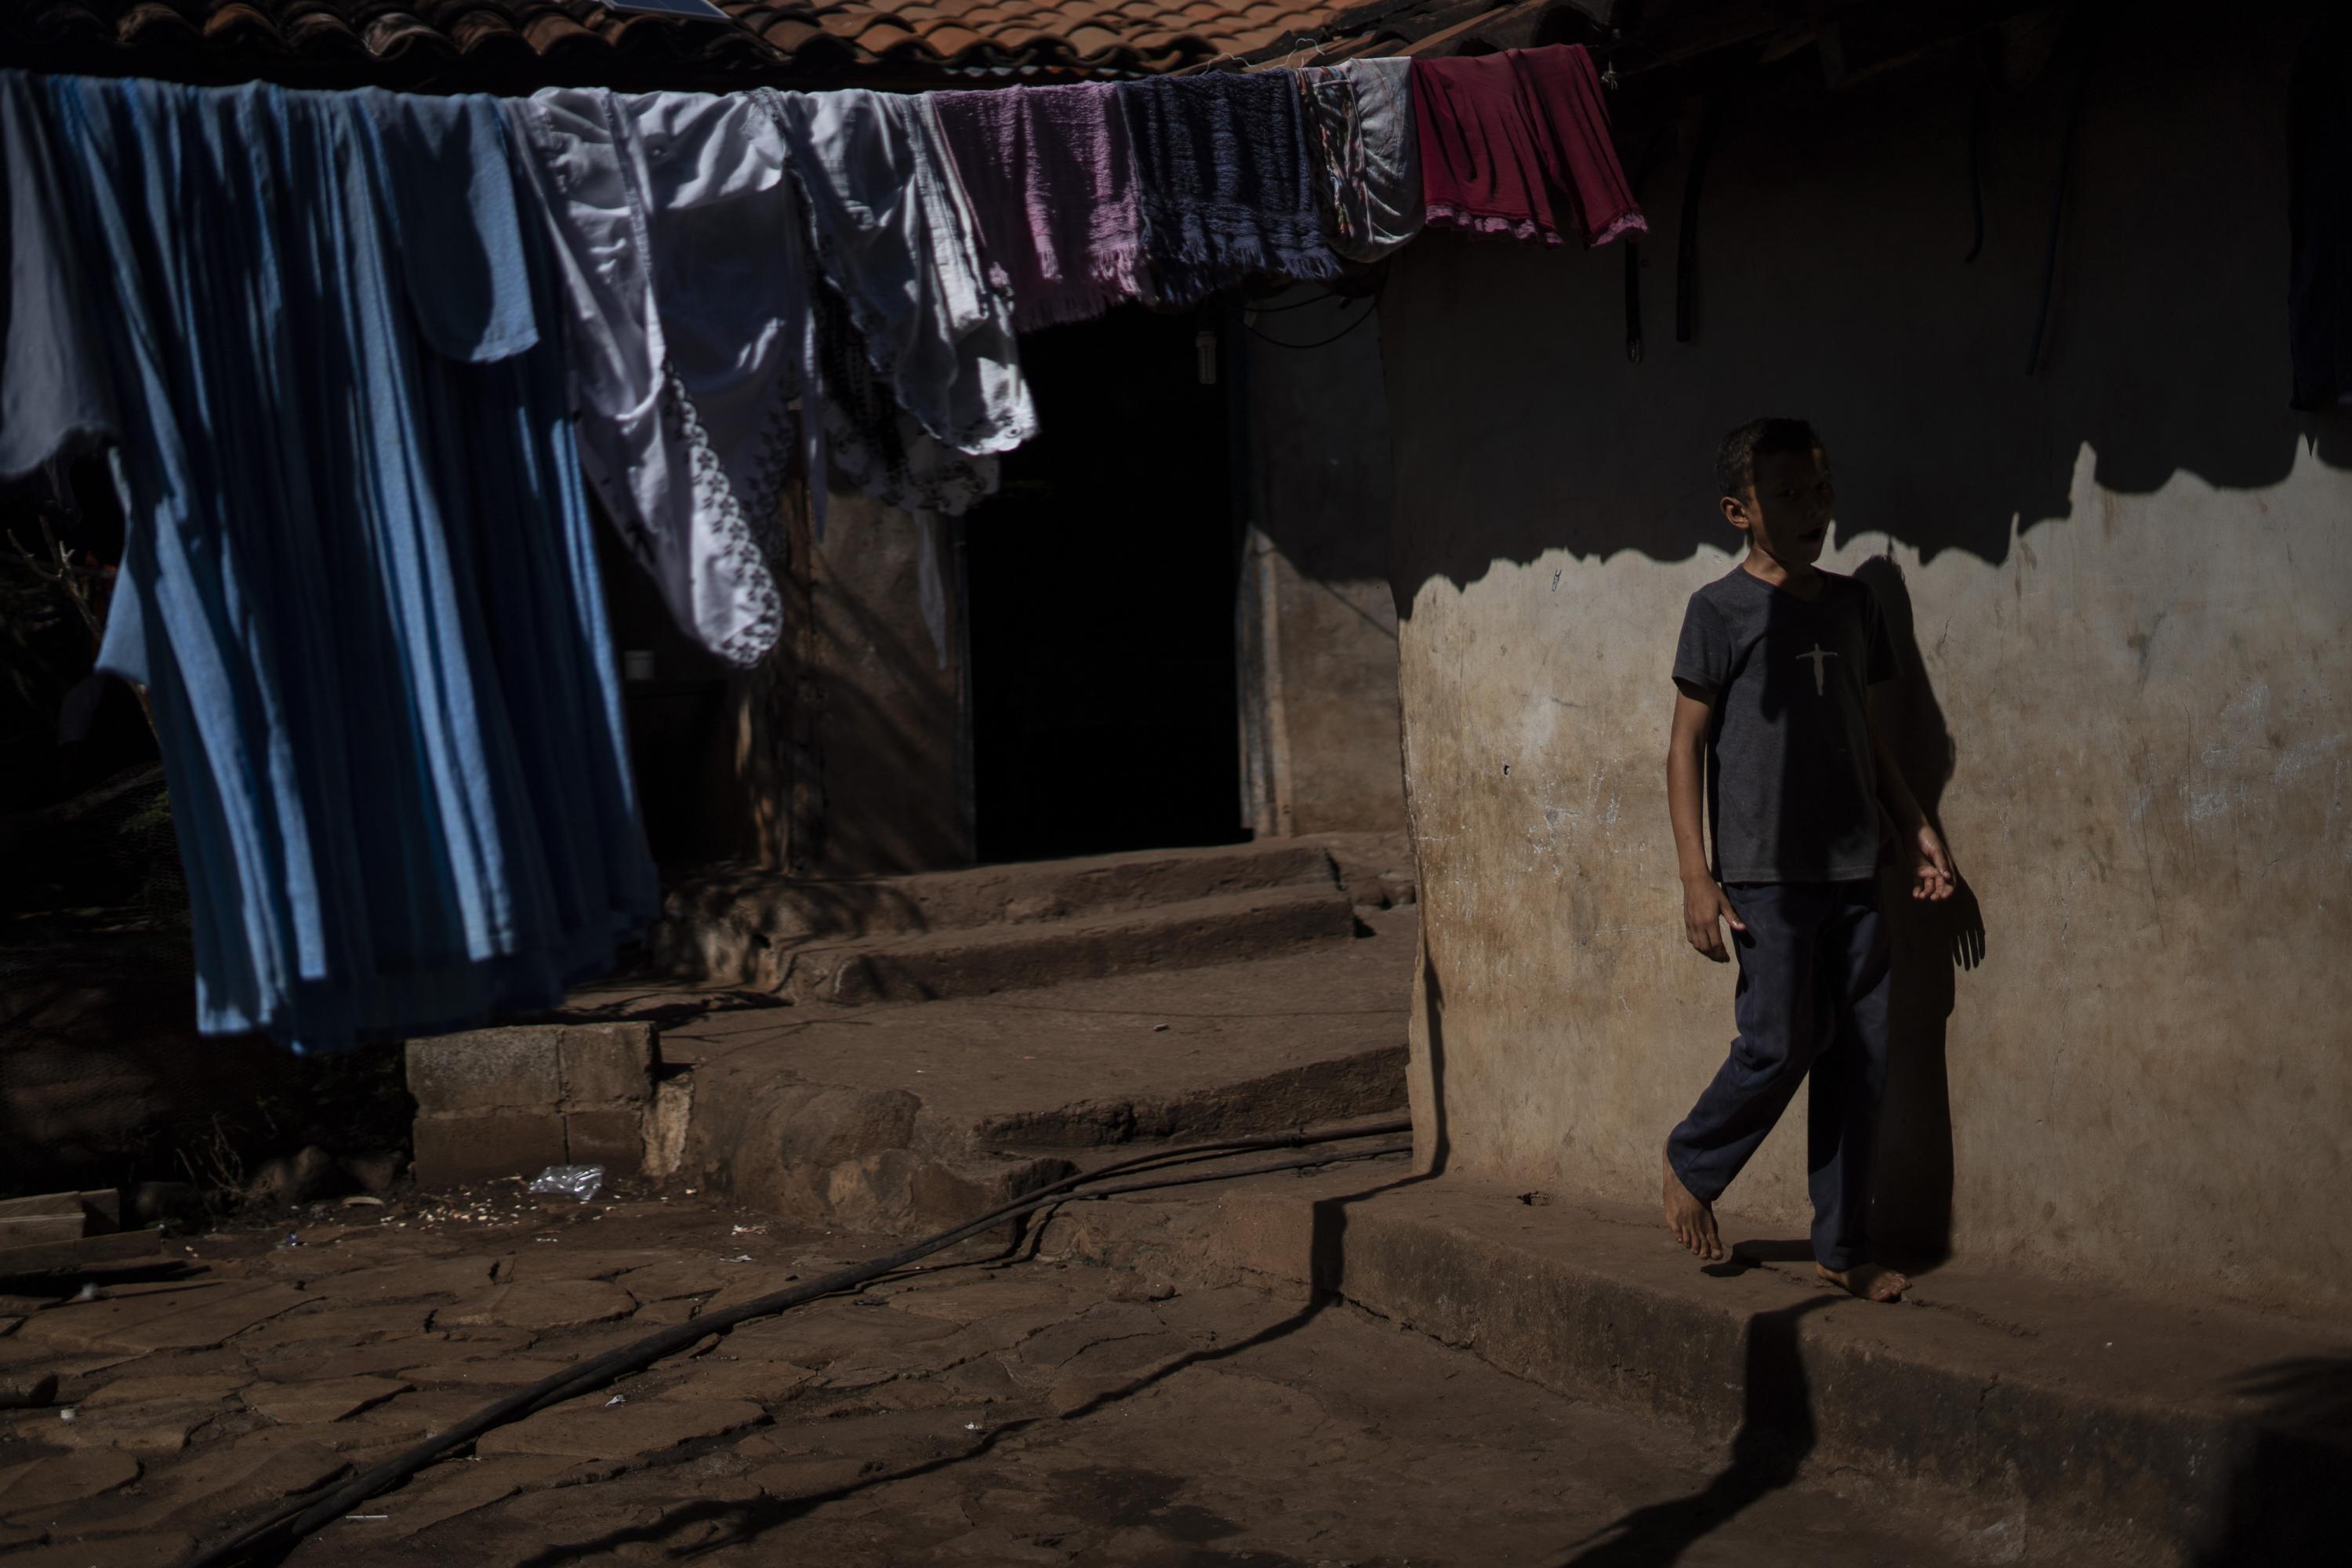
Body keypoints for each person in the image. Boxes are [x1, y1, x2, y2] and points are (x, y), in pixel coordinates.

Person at [1659, 417, 1954, 1303]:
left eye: (1820, 489)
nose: (1812, 508)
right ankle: (1692, 1158)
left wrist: (1917, 824)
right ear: (1737, 510)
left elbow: (1866, 728)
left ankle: (1842, 1242)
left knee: (1862, 1057)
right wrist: (1696, 875)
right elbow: (1684, 749)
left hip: (1856, 866)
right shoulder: (1718, 612)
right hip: (1763, 873)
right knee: (1781, 1040)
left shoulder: (1854, 605)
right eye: (1787, 494)